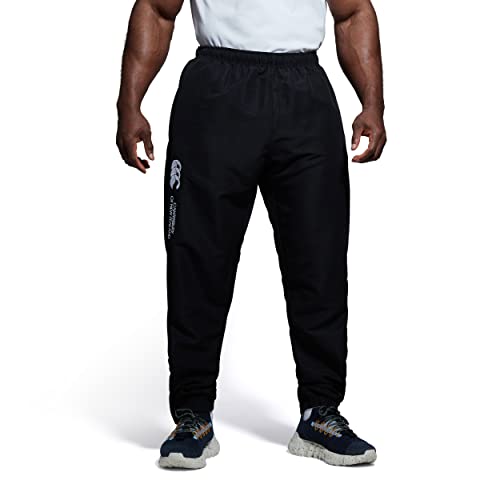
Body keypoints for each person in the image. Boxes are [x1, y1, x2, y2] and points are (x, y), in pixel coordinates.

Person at [116, 0, 386, 469]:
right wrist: (129, 104)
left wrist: (373, 104)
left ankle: (320, 413)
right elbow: (157, 11)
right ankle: (192, 416)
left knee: (319, 258)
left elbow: (353, 13)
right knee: (197, 259)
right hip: (216, 91)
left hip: (304, 94)